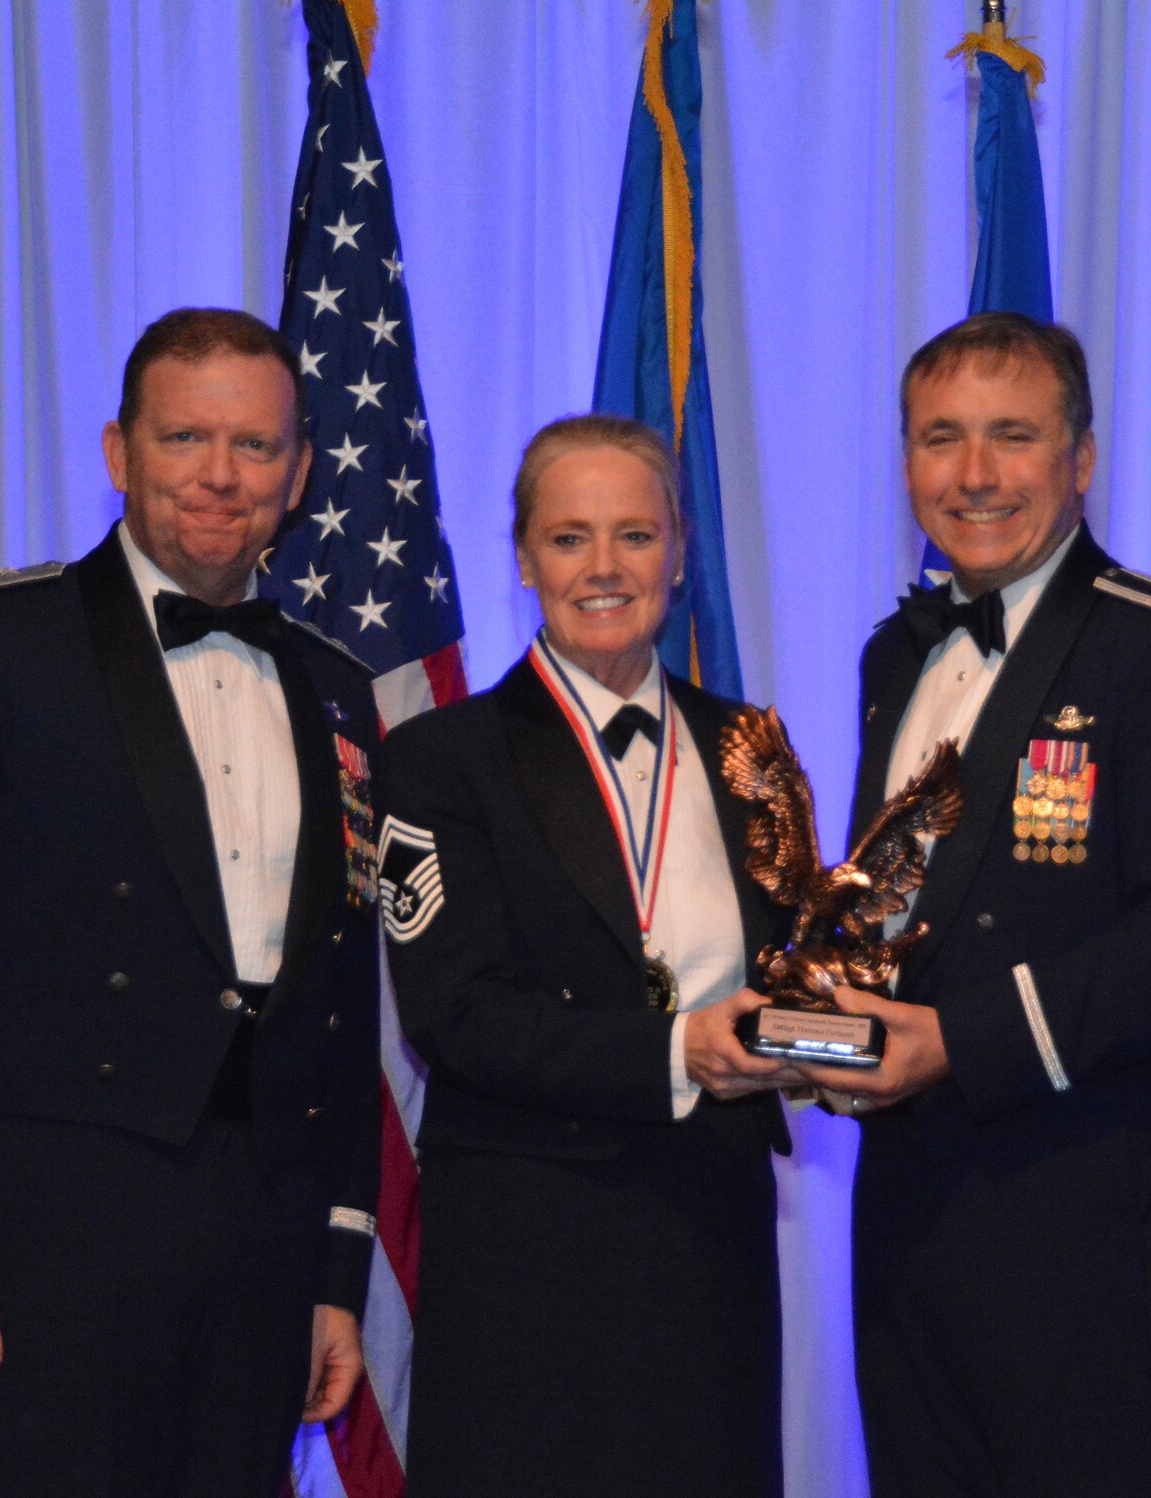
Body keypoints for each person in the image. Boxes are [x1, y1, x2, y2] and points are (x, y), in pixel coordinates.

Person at [0, 307, 383, 1495]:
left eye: (254, 447)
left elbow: (339, 999)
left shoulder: (336, 689)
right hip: (49, 1236)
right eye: (184, 438)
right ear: (117, 452)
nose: (219, 478)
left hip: (263, 1237)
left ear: (297, 472)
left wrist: (333, 1269)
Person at [793, 312, 1151, 1495]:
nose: (972, 475)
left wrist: (957, 1043)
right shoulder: (891, 656)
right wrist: (820, 1016)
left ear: (1081, 458)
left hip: (1081, 1217)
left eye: (1010, 436)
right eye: (939, 438)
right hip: (907, 1213)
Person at [375, 414, 797, 1498]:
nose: (604, 568)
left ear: (679, 551)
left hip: (713, 1245)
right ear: (521, 558)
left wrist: (832, 1040)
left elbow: (797, 968)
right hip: (531, 1252)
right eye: (569, 538)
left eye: (634, 535)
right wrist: (680, 1050)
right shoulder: (439, 759)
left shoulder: (753, 747)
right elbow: (454, 1015)